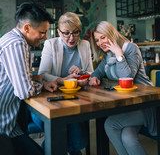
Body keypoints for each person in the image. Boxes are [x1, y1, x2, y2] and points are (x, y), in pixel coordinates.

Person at [89, 21, 156, 155]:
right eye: (97, 40)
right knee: (128, 137)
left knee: (110, 124)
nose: (100, 42)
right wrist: (94, 77)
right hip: (128, 105)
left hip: (145, 104)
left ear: (111, 34)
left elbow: (127, 78)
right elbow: (98, 71)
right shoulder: (108, 55)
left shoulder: (130, 48)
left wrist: (119, 55)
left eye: (103, 37)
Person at [31, 11, 94, 155]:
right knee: (67, 123)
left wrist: (82, 71)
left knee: (74, 124)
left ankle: (54, 149)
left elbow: (91, 72)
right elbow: (43, 74)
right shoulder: (50, 44)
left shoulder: (85, 44)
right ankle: (73, 151)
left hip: (76, 96)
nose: (71, 38)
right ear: (59, 32)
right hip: (52, 97)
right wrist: (62, 80)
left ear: (80, 31)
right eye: (66, 33)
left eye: (75, 32)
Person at [0, 2, 58, 155]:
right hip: (3, 126)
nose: (45, 37)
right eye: (42, 32)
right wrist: (38, 82)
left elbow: (12, 77)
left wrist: (37, 80)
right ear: (27, 28)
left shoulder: (11, 38)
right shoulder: (17, 44)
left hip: (10, 124)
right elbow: (24, 91)